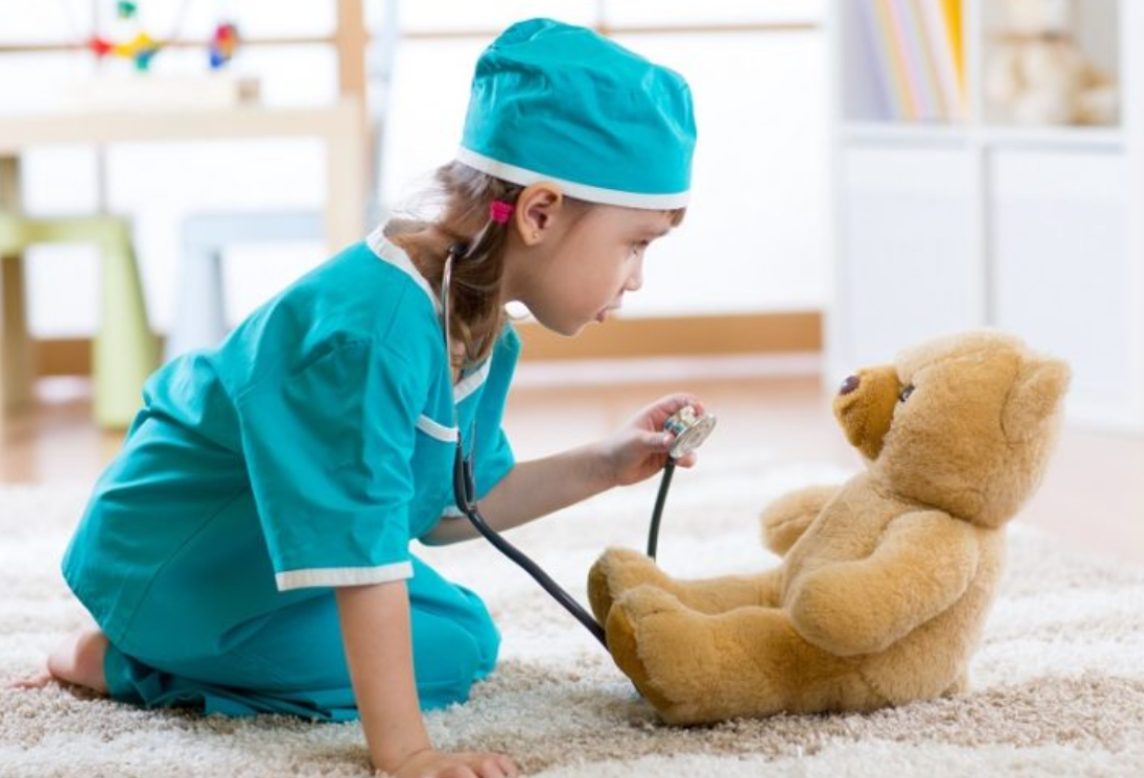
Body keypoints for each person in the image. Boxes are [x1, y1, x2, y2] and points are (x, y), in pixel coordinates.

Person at [21, 18, 700, 778]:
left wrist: (610, 462)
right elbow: (358, 557)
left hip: (256, 558)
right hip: (174, 563)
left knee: (464, 637)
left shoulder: (479, 331)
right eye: (635, 244)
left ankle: (176, 649)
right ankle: (124, 660)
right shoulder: (372, 333)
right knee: (420, 654)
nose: (636, 278)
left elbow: (451, 510)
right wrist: (405, 752)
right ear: (539, 214)